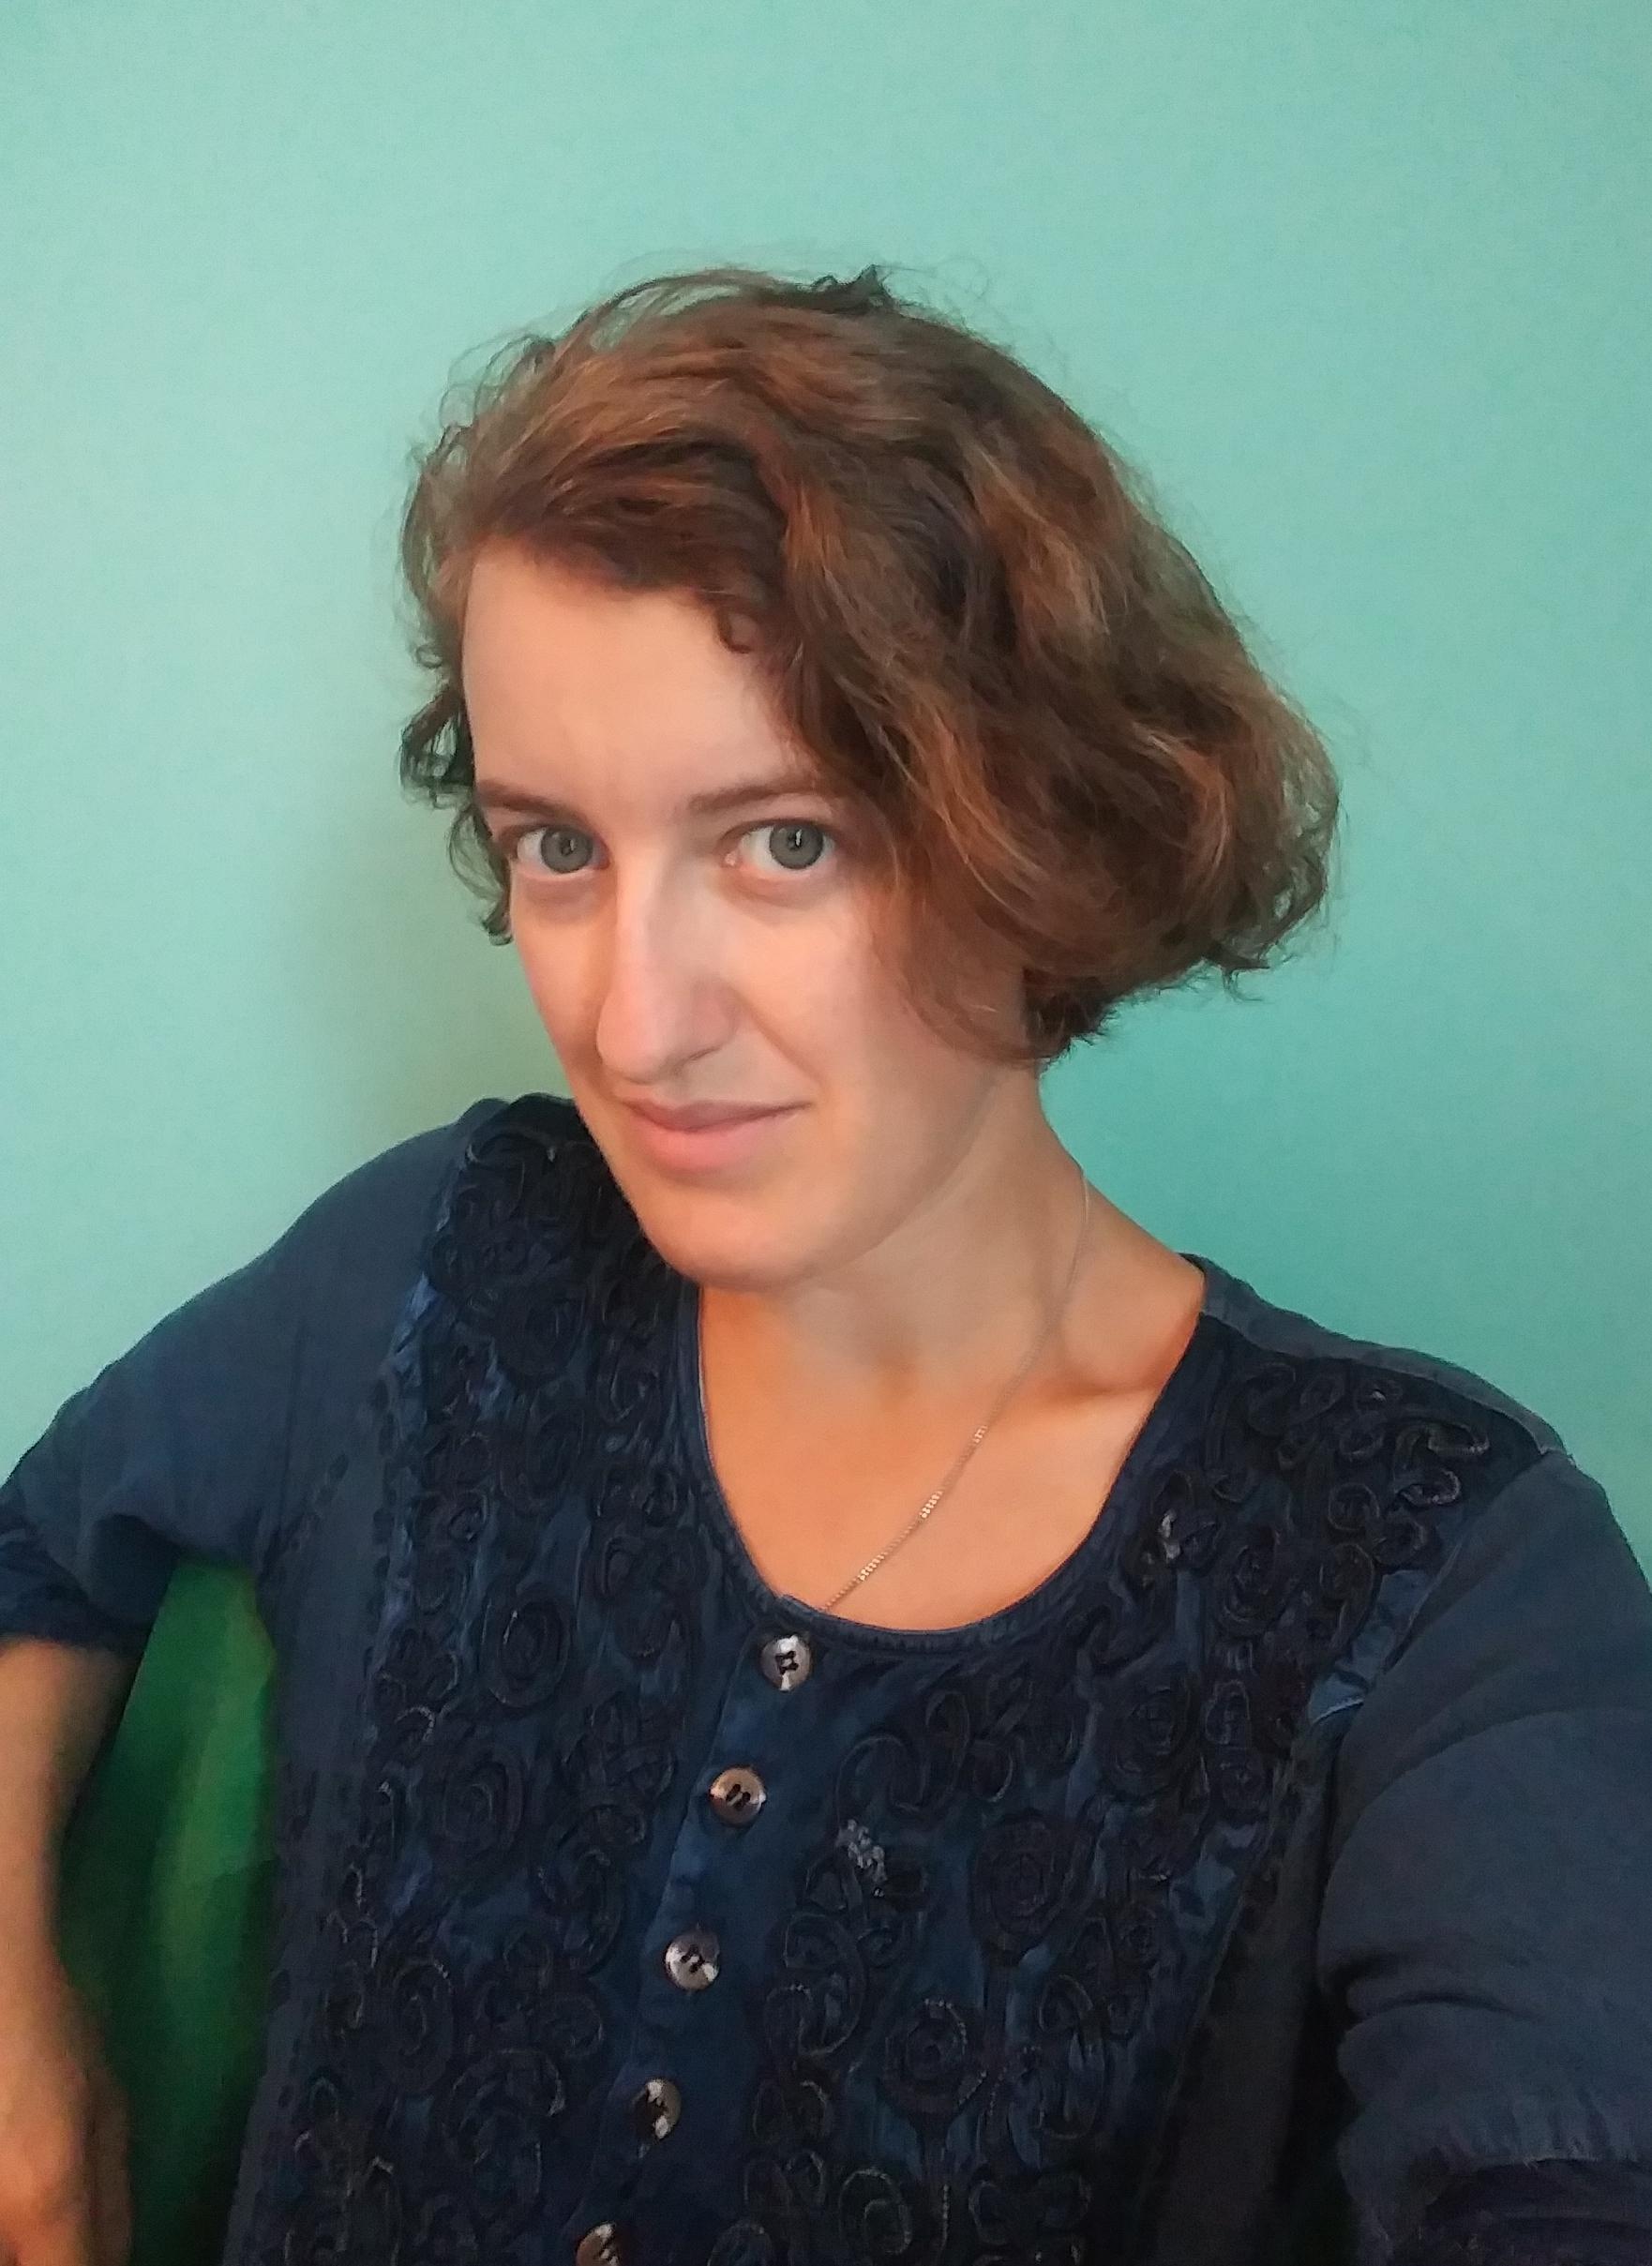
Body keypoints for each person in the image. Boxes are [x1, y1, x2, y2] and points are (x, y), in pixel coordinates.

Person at [1, 262, 1649, 2266]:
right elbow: (42, 1549)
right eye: (557, 846)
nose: (634, 1022)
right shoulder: (438, 1265)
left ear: (1050, 822)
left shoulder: (1437, 1568)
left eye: (783, 840)